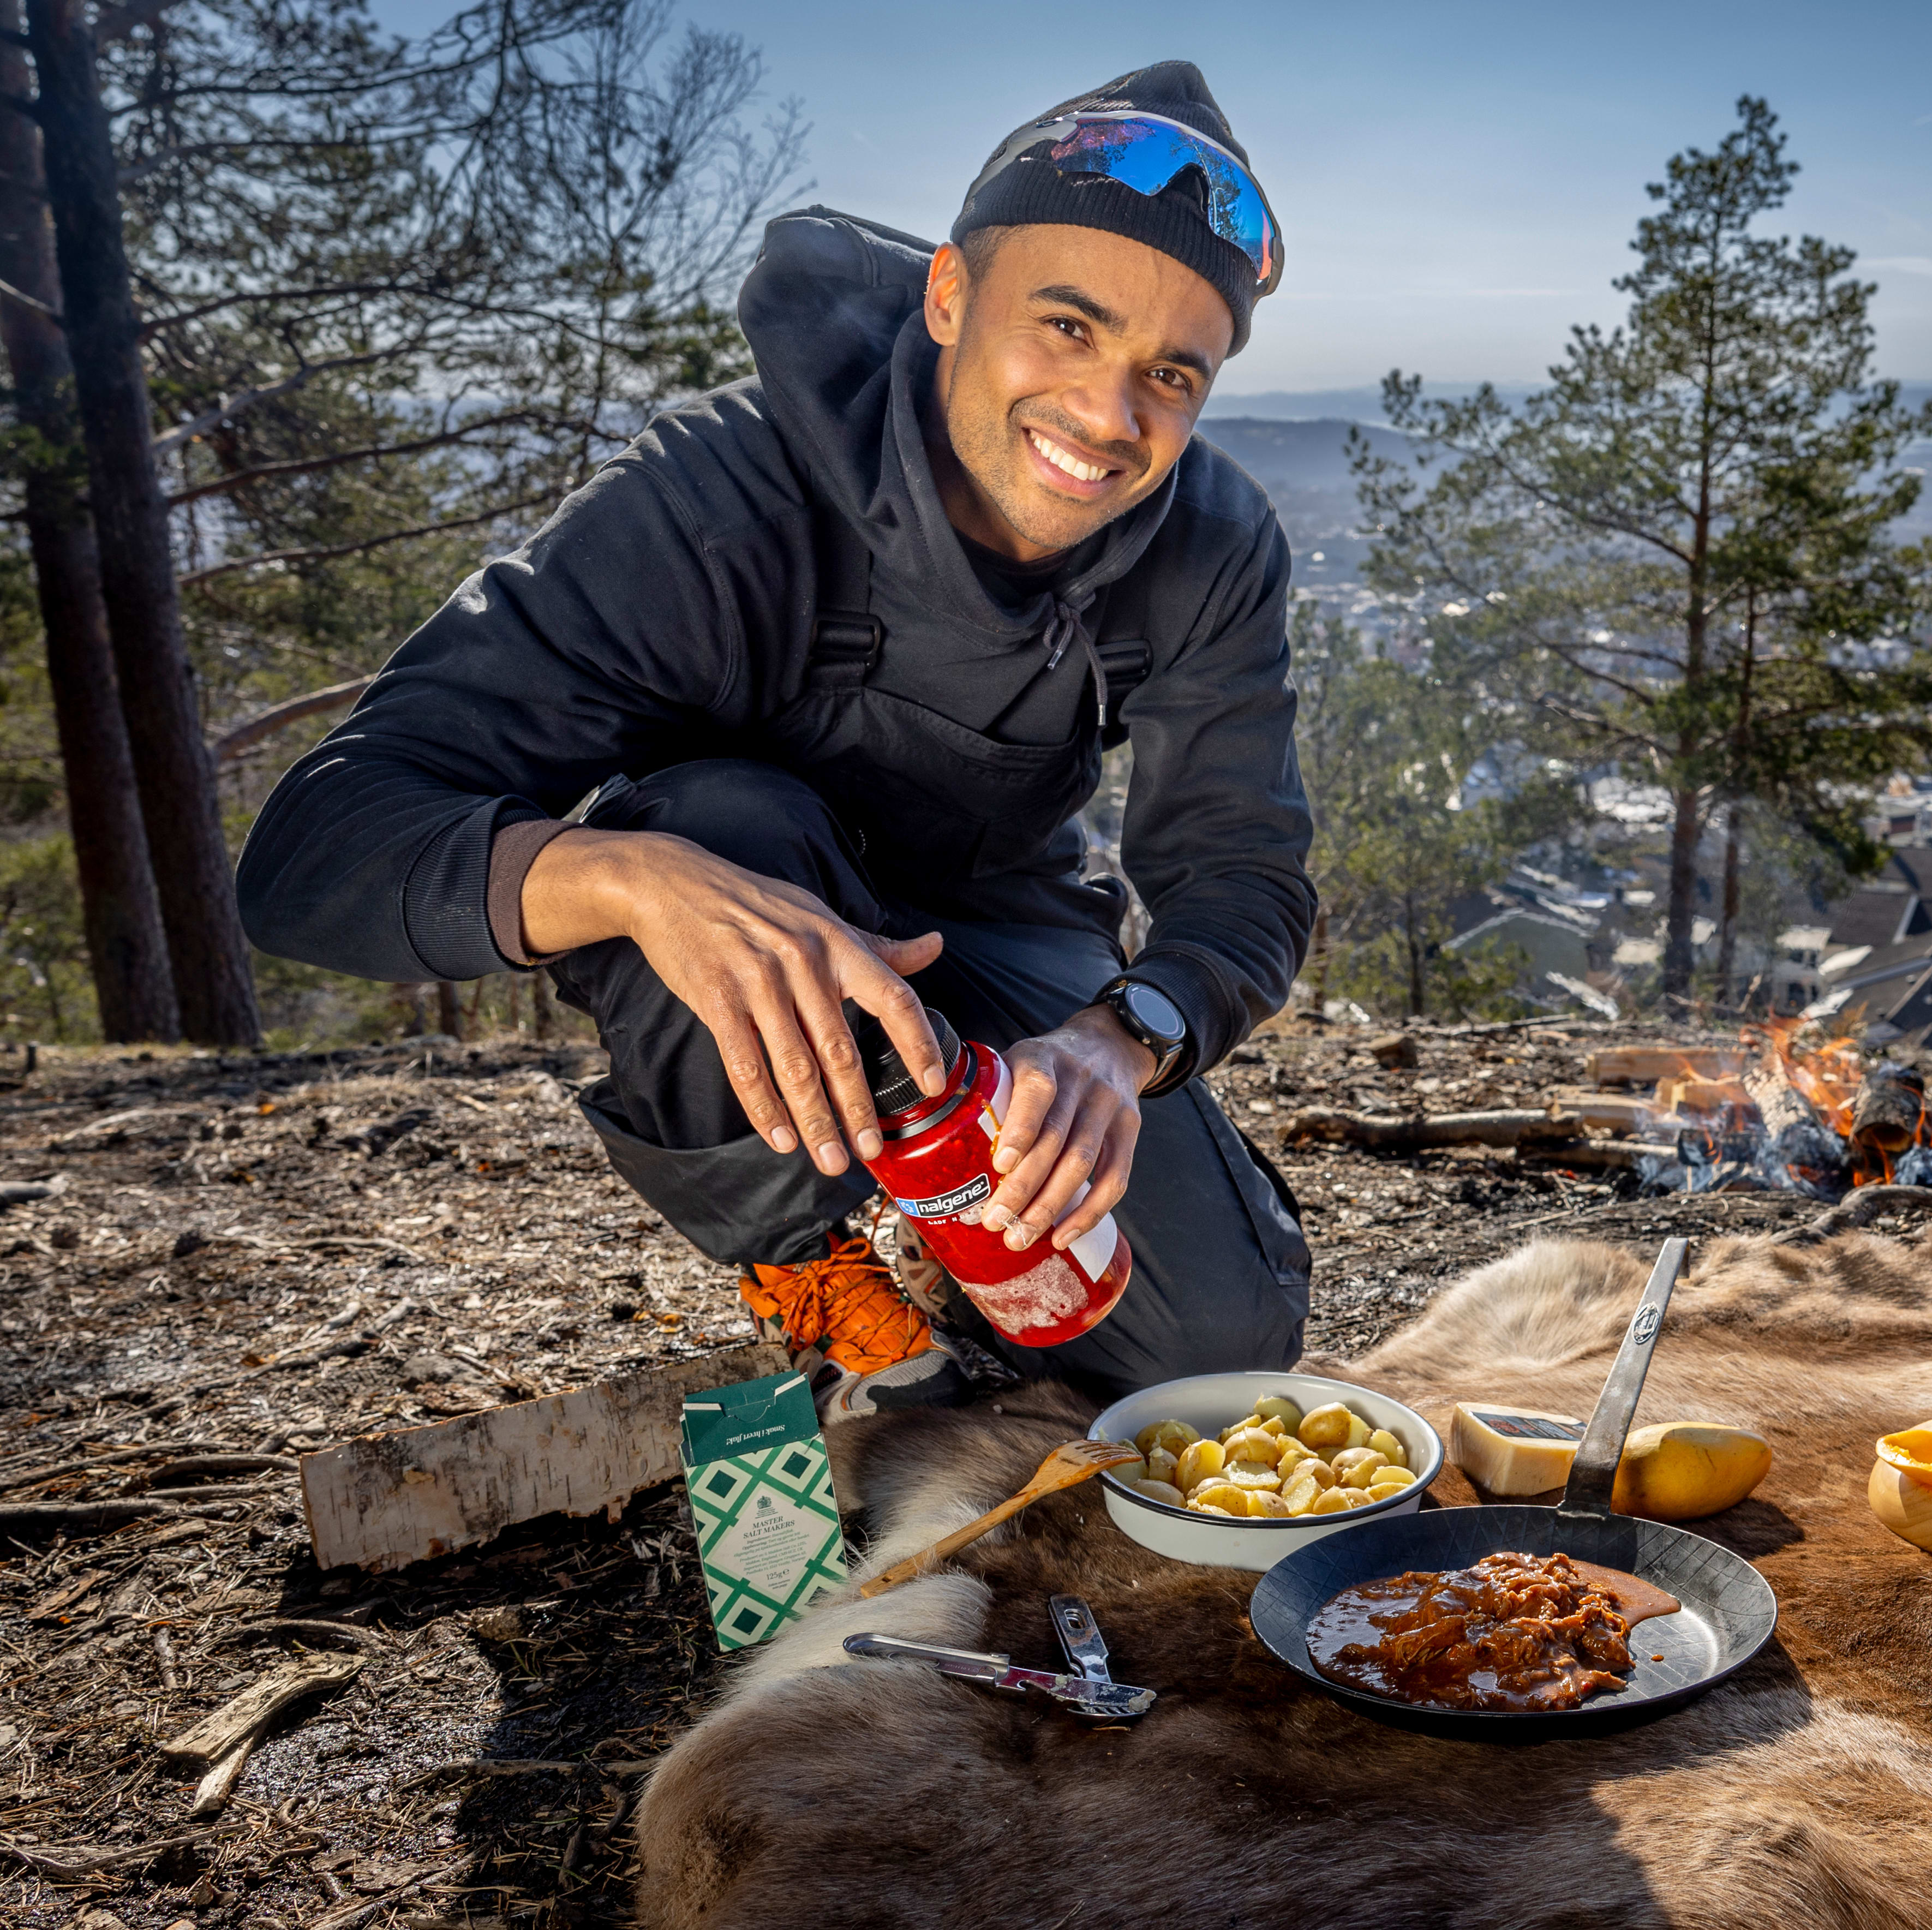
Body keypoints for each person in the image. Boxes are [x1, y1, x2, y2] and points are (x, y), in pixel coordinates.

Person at [238, 63, 1313, 1417]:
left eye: (1171, 371)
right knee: (715, 828)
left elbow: (1247, 870)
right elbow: (312, 848)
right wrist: (626, 880)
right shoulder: (708, 505)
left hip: (1002, 928)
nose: (1111, 418)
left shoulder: (1211, 548)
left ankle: (962, 1226)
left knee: (1214, 1351)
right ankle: (810, 1260)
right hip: (729, 918)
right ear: (947, 297)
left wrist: (1122, 1036)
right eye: (1068, 327)